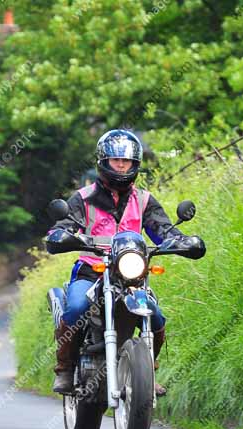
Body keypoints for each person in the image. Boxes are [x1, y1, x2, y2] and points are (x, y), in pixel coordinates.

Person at [46, 129, 205, 396]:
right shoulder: (82, 198)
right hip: (91, 270)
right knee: (75, 308)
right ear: (103, 161)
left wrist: (183, 241)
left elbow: (163, 230)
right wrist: (62, 235)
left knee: (156, 317)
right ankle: (64, 368)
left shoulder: (144, 200)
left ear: (135, 164)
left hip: (130, 275)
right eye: (115, 160)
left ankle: (146, 372)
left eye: (127, 161)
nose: (121, 165)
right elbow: (66, 225)